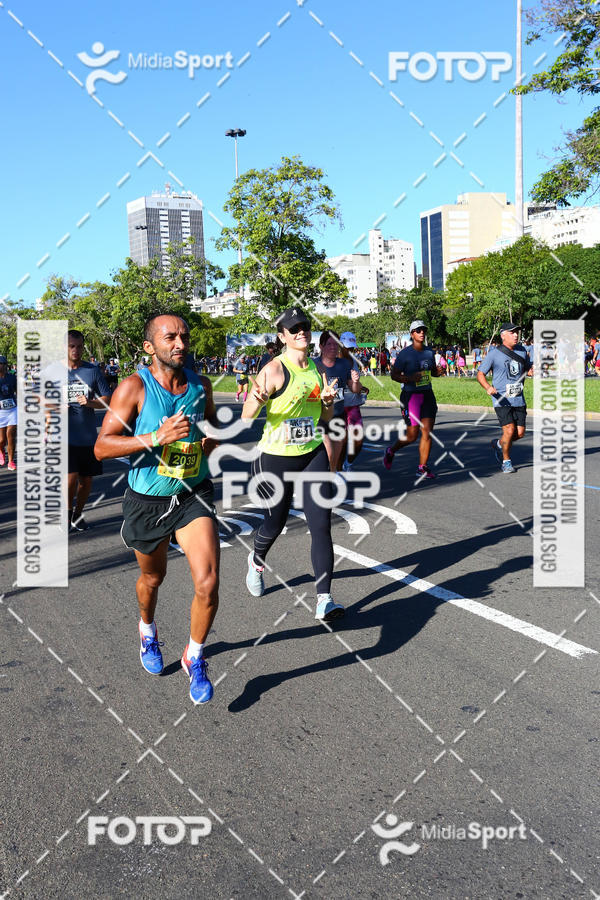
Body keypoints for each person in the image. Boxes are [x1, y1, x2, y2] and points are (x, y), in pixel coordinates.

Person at [94, 314, 219, 704]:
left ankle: (193, 656)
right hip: (148, 501)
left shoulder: (201, 384)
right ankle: (147, 630)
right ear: (150, 347)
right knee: (153, 579)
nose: (180, 343)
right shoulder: (133, 388)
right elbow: (102, 446)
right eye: (170, 337)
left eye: (184, 336)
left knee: (208, 582)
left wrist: (209, 442)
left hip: (192, 493)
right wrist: (155, 437)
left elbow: (211, 426)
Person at [242, 307, 343, 622]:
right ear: (282, 336)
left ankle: (324, 599)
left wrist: (327, 404)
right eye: (293, 328)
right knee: (275, 523)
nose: (301, 331)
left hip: (312, 452)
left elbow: (324, 419)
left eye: (305, 327)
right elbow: (246, 417)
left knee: (322, 524)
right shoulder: (273, 370)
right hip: (276, 458)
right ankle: (257, 561)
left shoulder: (316, 370)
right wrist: (256, 399)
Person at [383, 320, 442, 480]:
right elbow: (394, 375)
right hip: (411, 397)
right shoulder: (405, 354)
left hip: (427, 394)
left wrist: (437, 372)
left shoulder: (429, 352)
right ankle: (391, 451)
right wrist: (409, 378)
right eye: (418, 330)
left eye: (423, 330)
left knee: (427, 433)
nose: (421, 332)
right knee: (412, 435)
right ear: (412, 334)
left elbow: (432, 373)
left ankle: (422, 468)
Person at [65, 331, 110, 531]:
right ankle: (66, 515)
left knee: (86, 480)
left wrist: (90, 402)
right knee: (70, 477)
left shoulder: (92, 371)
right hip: (64, 435)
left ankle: (78, 514)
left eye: (79, 346)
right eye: (71, 346)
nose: (75, 350)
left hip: (88, 436)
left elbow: (107, 400)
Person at [476, 322, 533, 474]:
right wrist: (488, 387)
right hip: (501, 398)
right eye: (512, 332)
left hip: (518, 398)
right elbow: (480, 374)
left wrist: (531, 371)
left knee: (520, 433)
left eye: (517, 332)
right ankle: (506, 462)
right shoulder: (494, 354)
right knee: (509, 430)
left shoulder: (522, 351)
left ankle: (499, 444)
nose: (516, 335)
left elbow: (527, 368)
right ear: (503, 335)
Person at [314, 330, 362, 474]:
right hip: (320, 416)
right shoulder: (313, 365)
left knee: (335, 456)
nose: (333, 347)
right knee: (328, 453)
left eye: (336, 344)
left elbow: (354, 389)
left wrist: (356, 381)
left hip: (339, 415)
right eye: (329, 344)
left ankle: (331, 478)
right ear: (321, 346)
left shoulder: (344, 364)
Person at [340, 332, 369, 473]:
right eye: (347, 347)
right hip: (339, 406)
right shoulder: (334, 361)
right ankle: (337, 468)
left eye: (351, 348)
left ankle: (348, 463)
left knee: (358, 441)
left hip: (354, 405)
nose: (350, 350)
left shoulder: (353, 360)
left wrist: (361, 387)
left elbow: (352, 380)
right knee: (342, 441)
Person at [0, 355, 17, 471]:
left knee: (11, 436)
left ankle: (11, 461)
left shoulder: (12, 377)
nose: (2, 366)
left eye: (3, 364)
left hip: (12, 410)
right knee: (1, 440)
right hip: (1, 412)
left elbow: (18, 391)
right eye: (0, 364)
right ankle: (1, 452)